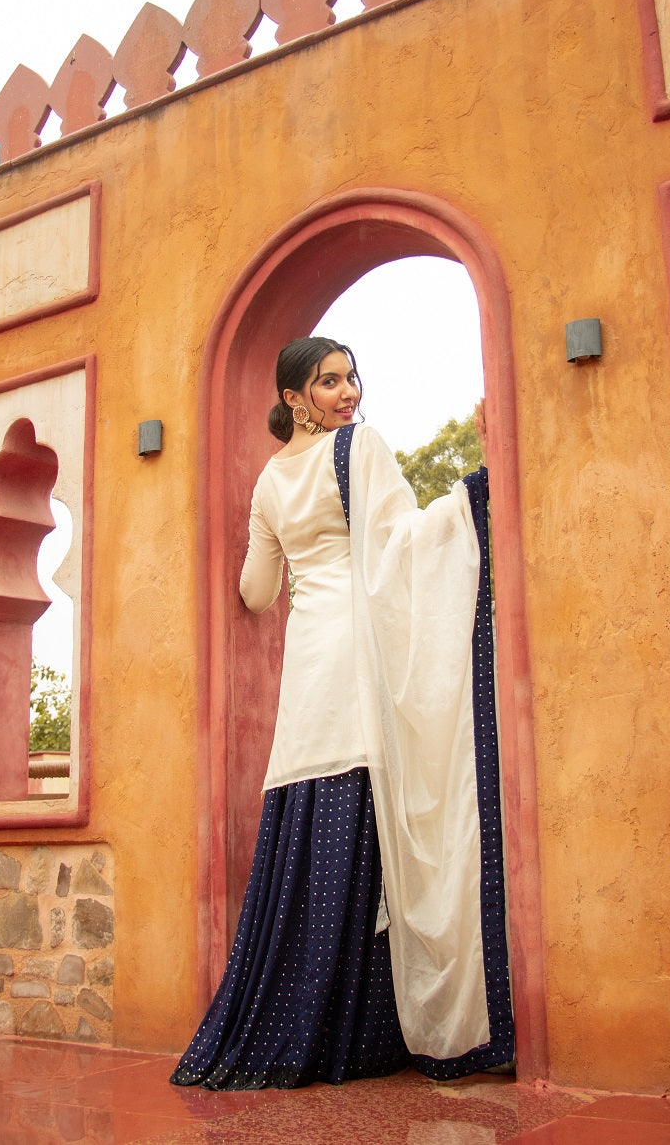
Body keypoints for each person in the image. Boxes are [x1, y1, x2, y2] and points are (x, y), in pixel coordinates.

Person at [171, 337, 512, 1091]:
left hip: (308, 661)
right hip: (357, 653)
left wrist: (286, 546)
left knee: (312, 804)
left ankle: (294, 1021)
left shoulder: (267, 481)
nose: (348, 391)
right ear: (295, 396)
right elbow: (400, 545)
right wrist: (475, 491)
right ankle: (366, 1026)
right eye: (329, 381)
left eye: (351, 376)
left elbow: (257, 593)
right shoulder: (357, 449)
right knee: (374, 809)